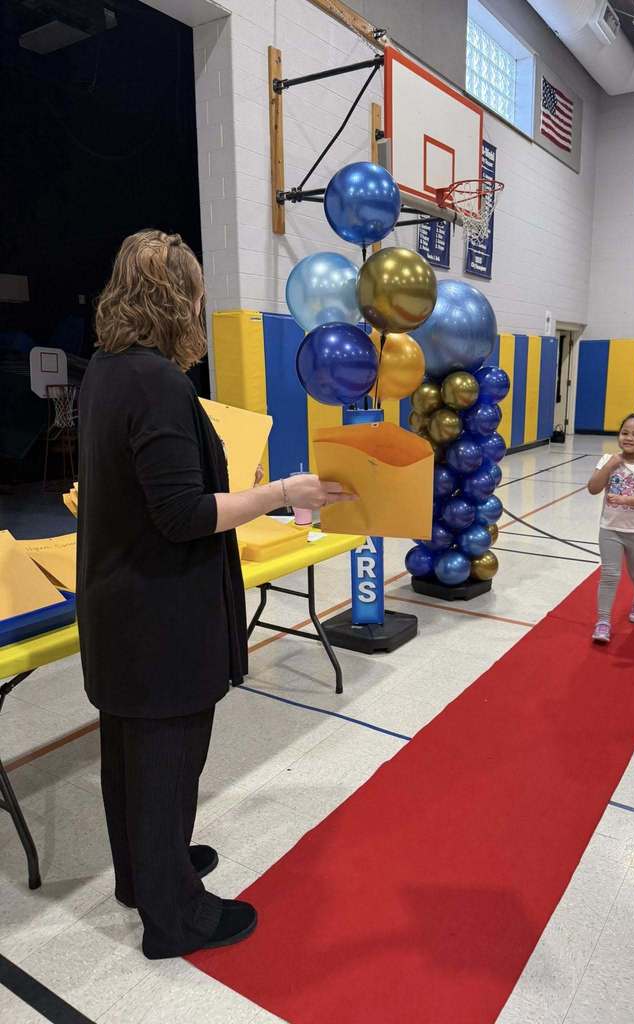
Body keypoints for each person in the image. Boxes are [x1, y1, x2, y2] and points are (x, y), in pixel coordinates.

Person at [77, 230, 356, 960]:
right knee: (167, 760)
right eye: (199, 294)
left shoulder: (106, 371)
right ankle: (175, 917)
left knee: (130, 756)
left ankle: (145, 873)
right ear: (179, 299)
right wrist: (282, 491)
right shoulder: (158, 383)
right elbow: (185, 515)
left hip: (118, 607)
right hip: (158, 613)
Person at [587, 414, 634, 644]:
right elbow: (592, 488)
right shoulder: (608, 460)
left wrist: (624, 500)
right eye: (625, 433)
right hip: (610, 528)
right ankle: (603, 622)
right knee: (610, 574)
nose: (629, 438)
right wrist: (609, 466)